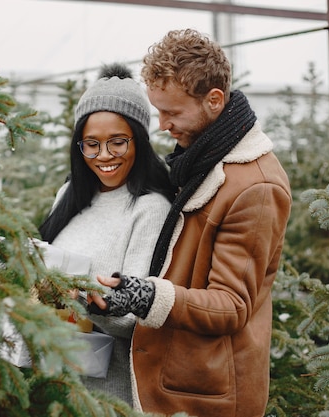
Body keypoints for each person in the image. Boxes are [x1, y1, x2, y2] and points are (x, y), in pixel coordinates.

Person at [87, 29, 292, 416]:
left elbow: (231, 305)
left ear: (214, 100)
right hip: (170, 374)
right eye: (157, 111)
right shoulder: (198, 161)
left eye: (173, 112)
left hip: (205, 391)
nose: (162, 125)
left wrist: (147, 296)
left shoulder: (255, 187)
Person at [38, 63, 175, 406]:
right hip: (53, 385)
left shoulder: (150, 208)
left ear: (139, 142)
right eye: (91, 144)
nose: (103, 156)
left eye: (117, 142)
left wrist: (81, 291)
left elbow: (136, 320)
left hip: (109, 398)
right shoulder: (68, 195)